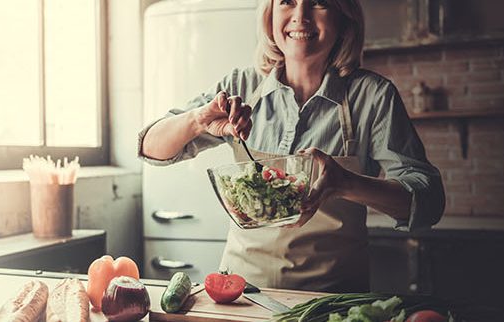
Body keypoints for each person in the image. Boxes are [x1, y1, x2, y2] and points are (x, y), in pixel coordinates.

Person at [137, 0, 444, 293]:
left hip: (329, 304)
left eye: (319, 2)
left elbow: (428, 202)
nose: (301, 15)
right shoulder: (241, 87)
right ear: (269, 15)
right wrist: (198, 119)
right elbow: (150, 147)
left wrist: (345, 183)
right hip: (243, 297)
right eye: (287, 1)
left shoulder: (373, 97)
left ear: (344, 17)